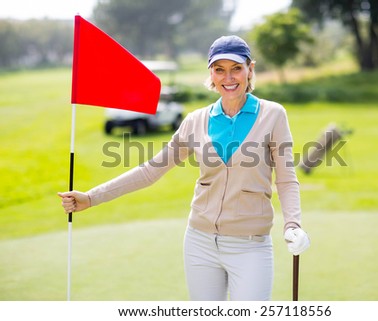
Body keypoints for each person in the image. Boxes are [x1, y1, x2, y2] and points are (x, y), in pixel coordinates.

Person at [58, 35, 310, 301]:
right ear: (211, 74)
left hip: (250, 246)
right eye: (219, 69)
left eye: (236, 68)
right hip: (199, 244)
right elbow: (150, 170)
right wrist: (91, 197)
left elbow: (286, 178)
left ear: (250, 69)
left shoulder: (273, 115)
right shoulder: (195, 121)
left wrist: (292, 224)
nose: (229, 78)